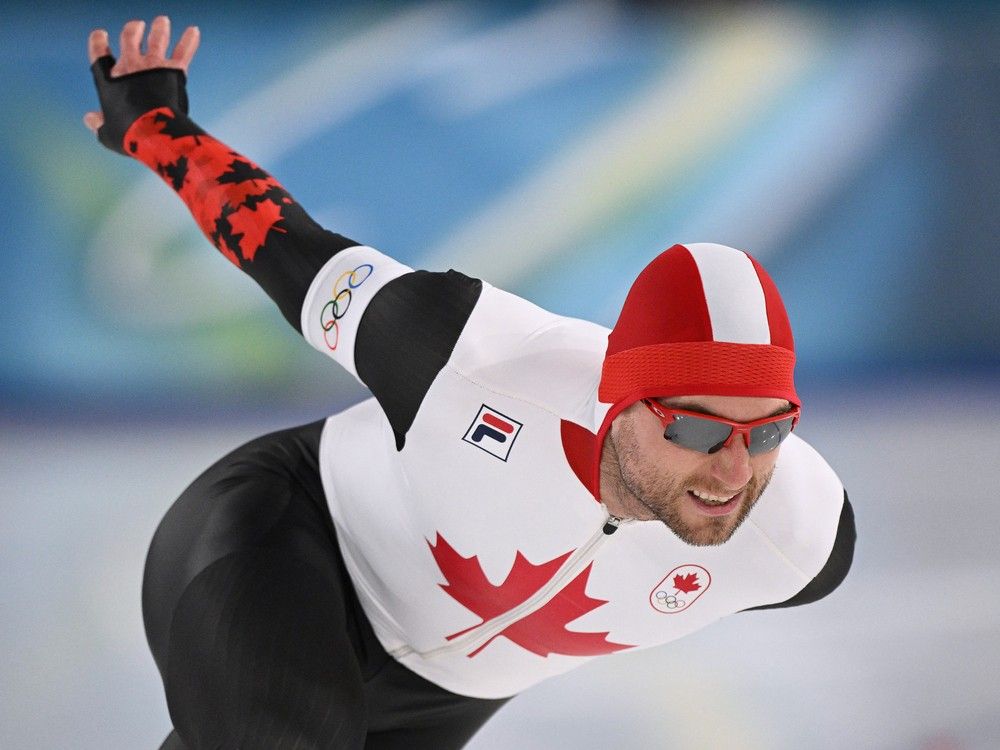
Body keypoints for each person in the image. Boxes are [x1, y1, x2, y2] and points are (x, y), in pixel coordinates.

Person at [86, 16, 856, 750]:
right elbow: (284, 245)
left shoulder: (800, 537)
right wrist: (152, 126)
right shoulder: (464, 352)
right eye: (695, 428)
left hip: (439, 695)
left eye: (769, 432)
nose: (733, 471)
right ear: (618, 397)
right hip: (284, 539)